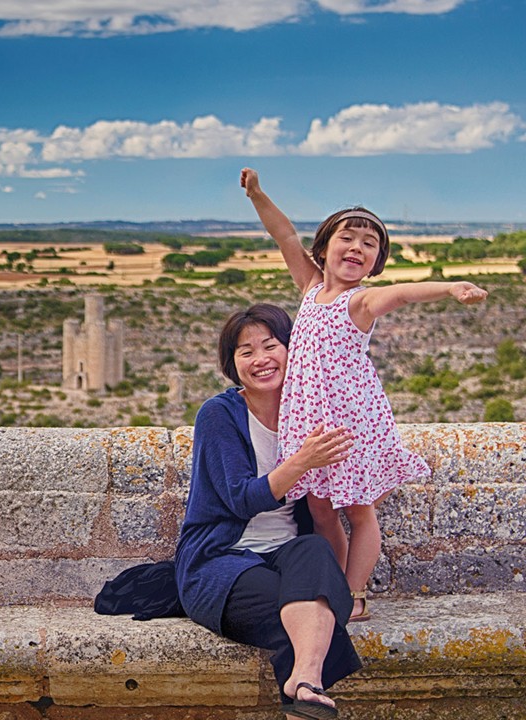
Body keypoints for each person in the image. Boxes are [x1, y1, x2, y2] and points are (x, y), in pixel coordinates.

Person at [241, 168, 488, 622]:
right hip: (311, 425)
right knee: (320, 512)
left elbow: (404, 295)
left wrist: (451, 287)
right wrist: (257, 194)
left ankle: (354, 594)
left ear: (375, 263)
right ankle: (332, 585)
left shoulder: (359, 302)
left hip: (349, 426)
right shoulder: (311, 287)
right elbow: (285, 235)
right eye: (347, 237)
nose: (356, 247)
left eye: (368, 244)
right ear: (324, 248)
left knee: (358, 511)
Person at [175, 303, 360, 720]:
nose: (260, 359)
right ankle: (306, 690)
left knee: (314, 553)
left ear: (292, 349)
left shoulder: (308, 412)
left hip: (285, 554)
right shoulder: (219, 415)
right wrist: (302, 460)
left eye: (270, 345)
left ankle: (304, 682)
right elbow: (241, 497)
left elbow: (336, 501)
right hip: (220, 561)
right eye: (245, 352)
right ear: (232, 364)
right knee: (308, 617)